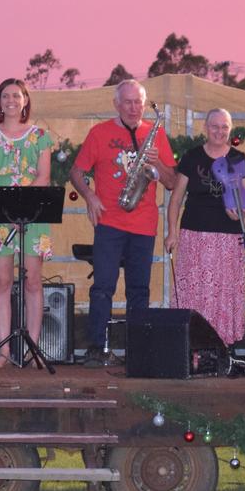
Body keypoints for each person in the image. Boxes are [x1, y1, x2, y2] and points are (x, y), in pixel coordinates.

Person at [71, 79, 177, 355]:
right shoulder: (99, 133)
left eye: (138, 102)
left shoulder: (156, 135)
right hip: (109, 222)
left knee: (139, 290)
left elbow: (172, 182)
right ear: (116, 104)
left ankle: (138, 349)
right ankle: (96, 347)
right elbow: (76, 172)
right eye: (128, 102)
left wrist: (157, 163)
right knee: (103, 287)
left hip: (144, 224)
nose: (133, 108)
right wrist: (90, 196)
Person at [0, 79, 54, 368]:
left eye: (16, 95)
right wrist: (8, 211)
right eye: (5, 95)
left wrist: (23, 208)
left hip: (33, 216)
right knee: (2, 281)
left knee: (32, 281)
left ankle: (33, 349)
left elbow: (44, 177)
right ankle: (4, 351)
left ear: (25, 100)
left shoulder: (41, 136)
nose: (10, 100)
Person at [165, 108, 245, 347]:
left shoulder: (240, 159)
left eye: (224, 127)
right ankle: (191, 345)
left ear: (230, 128)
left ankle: (222, 347)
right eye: (214, 126)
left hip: (228, 238)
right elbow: (175, 199)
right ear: (205, 128)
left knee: (223, 292)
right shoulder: (192, 157)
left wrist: (242, 212)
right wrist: (172, 232)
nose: (219, 131)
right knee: (194, 292)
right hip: (194, 236)